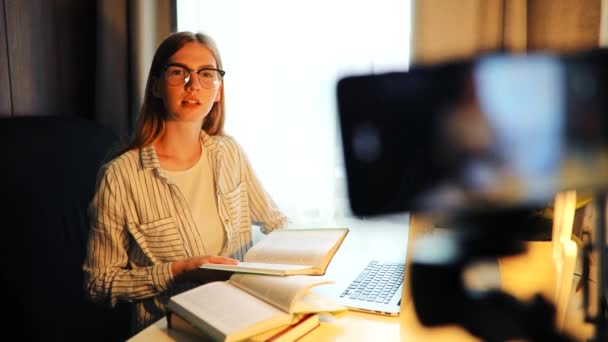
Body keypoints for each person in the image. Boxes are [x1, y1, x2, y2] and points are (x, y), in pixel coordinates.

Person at [83, 31, 288, 333]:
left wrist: (300, 259)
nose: (193, 85)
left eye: (207, 74)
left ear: (218, 90)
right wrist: (177, 272)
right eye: (179, 72)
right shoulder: (120, 176)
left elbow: (277, 223)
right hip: (170, 330)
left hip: (242, 320)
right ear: (155, 85)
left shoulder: (229, 153)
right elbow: (98, 284)